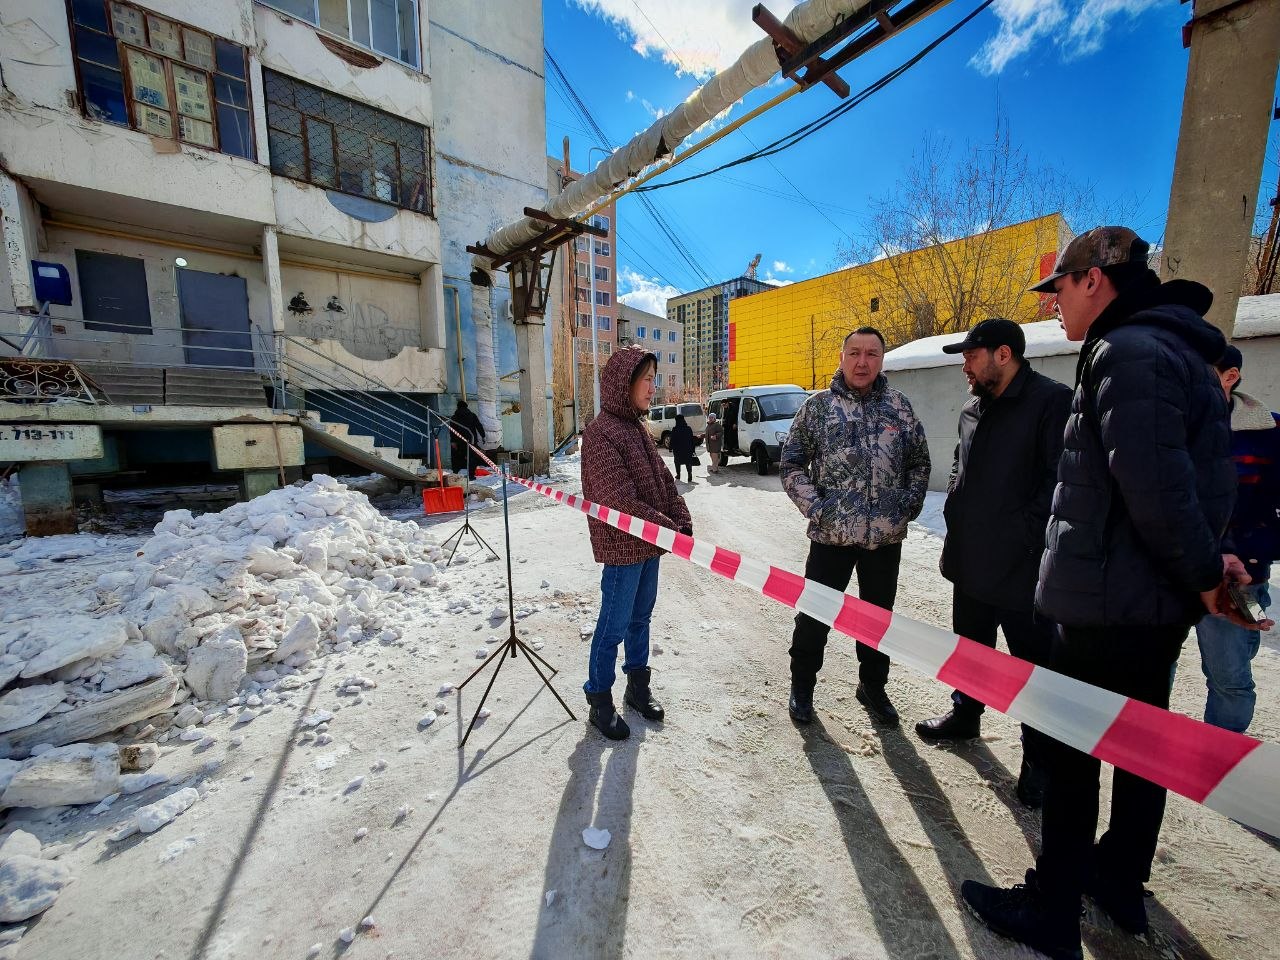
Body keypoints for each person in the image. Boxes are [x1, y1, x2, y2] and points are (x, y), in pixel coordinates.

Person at [961, 227, 1241, 958]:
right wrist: (1208, 565)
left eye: (1059, 287)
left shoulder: (1128, 352)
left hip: (1106, 608)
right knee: (1142, 747)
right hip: (1143, 603)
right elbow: (1192, 481)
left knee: (1072, 751)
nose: (1053, 305)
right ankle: (1118, 881)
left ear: (1094, 281)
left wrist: (1209, 575)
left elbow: (1157, 487)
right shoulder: (1178, 350)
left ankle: (1053, 910)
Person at [916, 318, 1071, 809]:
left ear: (1003, 354)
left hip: (1024, 568)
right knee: (970, 650)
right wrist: (956, 508)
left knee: (1033, 668)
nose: (964, 364)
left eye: (971, 354)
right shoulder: (972, 406)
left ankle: (1039, 759)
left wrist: (1023, 536)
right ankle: (966, 714)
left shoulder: (1051, 402)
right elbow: (961, 462)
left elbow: (1059, 483)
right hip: (970, 559)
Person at [780, 326, 930, 727]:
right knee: (814, 616)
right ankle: (802, 687)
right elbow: (791, 464)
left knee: (878, 618)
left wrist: (908, 504)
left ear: (882, 360)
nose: (862, 362)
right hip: (832, 537)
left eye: (872, 354)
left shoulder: (899, 406)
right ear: (842, 357)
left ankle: (872, 687)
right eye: (855, 353)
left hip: (885, 538)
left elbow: (919, 462)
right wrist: (817, 508)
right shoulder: (818, 408)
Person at [580, 346, 692, 741]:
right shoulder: (600, 435)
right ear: (623, 384)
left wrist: (680, 518)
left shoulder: (636, 429)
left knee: (641, 620)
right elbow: (620, 499)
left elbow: (664, 481)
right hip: (623, 549)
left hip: (649, 546)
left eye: (653, 378)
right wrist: (669, 527)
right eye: (646, 379)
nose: (652, 387)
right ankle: (599, 699)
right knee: (613, 626)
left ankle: (637, 687)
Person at [1195, 345, 1278, 732]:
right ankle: (1149, 761)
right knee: (1151, 669)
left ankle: (1221, 770)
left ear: (1230, 376)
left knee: (1231, 678)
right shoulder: (1171, 427)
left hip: (1241, 580)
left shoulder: (1269, 432)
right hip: (1170, 573)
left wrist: (1249, 554)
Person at [447, 400, 485, 475]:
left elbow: (452, 431)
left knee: (457, 457)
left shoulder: (454, 417)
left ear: (457, 407)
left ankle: (456, 473)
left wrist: (453, 441)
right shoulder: (472, 415)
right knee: (471, 457)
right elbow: (478, 426)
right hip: (471, 440)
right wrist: (483, 436)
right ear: (466, 406)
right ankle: (471, 475)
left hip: (459, 441)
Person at [670, 414, 696, 482]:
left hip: (677, 450)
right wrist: (693, 449)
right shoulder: (688, 428)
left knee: (677, 462)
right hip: (687, 449)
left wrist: (670, 447)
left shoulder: (675, 429)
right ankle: (689, 475)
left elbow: (672, 439)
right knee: (688, 462)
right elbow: (692, 440)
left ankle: (678, 475)